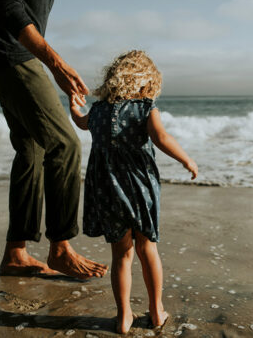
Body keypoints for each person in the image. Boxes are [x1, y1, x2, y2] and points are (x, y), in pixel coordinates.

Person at [0, 0, 108, 279]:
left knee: (31, 148)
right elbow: (6, 5)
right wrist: (56, 64)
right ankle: (61, 248)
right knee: (65, 145)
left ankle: (16, 253)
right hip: (11, 58)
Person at [69, 50, 198, 333]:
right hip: (138, 187)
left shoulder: (99, 111)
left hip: (106, 188)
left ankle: (124, 316)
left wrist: (73, 108)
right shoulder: (145, 108)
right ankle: (156, 310)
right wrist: (186, 159)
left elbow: (81, 123)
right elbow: (160, 137)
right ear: (146, 81)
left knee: (121, 254)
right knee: (146, 247)